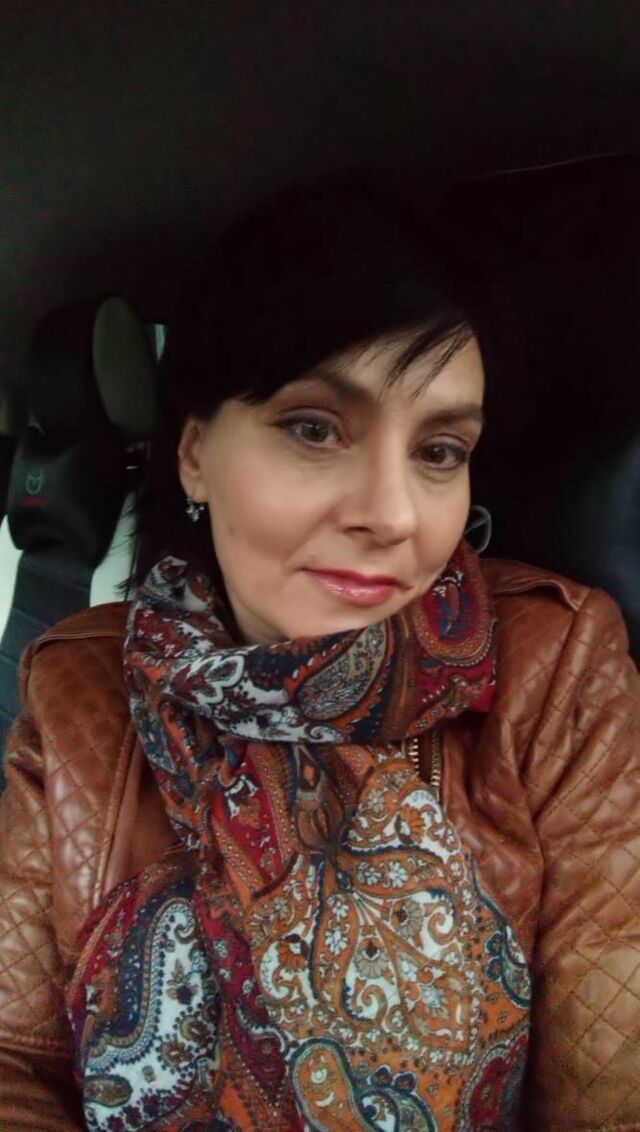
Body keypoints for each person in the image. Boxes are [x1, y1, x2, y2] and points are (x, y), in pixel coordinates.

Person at [0, 172, 638, 1132]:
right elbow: (14, 1059)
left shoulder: (556, 664)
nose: (393, 515)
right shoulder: (74, 687)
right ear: (194, 453)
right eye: (314, 428)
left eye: (439, 451)